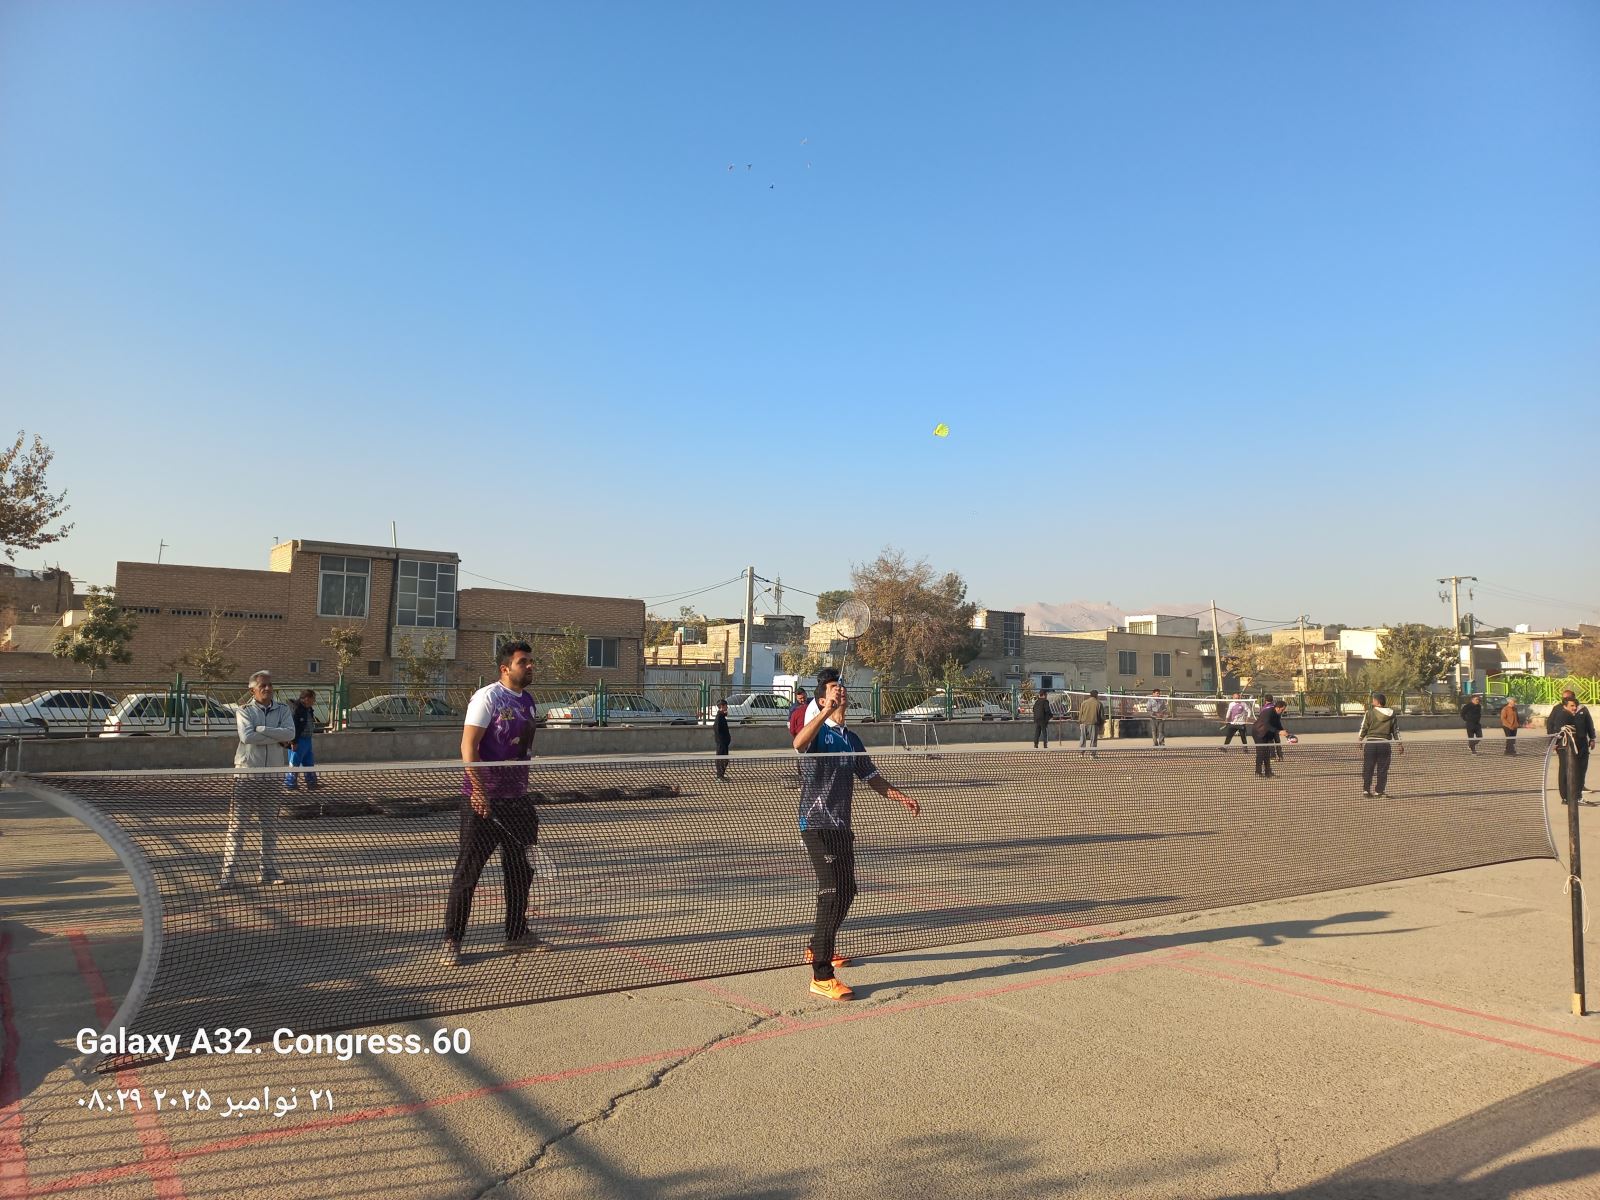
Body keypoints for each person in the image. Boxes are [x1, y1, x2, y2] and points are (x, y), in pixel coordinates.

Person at [792, 673, 919, 1001]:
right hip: (815, 823)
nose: (841, 690)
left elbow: (871, 776)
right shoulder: (818, 731)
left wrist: (900, 797)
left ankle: (817, 946)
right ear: (822, 700)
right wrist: (823, 712)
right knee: (832, 891)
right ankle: (821, 975)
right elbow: (798, 743)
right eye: (833, 688)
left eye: (842, 687)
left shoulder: (852, 739)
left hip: (841, 825)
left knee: (847, 890)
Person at [442, 641, 548, 966]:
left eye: (531, 661)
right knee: (468, 873)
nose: (530, 666)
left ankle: (516, 934)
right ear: (505, 668)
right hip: (483, 801)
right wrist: (479, 791)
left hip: (518, 800)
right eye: (523, 662)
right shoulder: (487, 697)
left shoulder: (528, 701)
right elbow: (468, 746)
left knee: (520, 871)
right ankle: (452, 940)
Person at [222, 670, 297, 888]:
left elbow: (290, 734)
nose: (267, 688)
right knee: (237, 827)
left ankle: (268, 872)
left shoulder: (283, 709)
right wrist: (276, 734)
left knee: (270, 827)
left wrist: (262, 729)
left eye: (270, 685)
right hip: (247, 775)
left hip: (273, 776)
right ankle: (228, 875)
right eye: (262, 685)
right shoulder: (244, 710)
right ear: (252, 690)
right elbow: (247, 736)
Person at [1547, 694, 1596, 804]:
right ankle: (1568, 797)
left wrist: (1592, 737)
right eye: (1571, 705)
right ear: (1564, 705)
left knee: (1580, 771)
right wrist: (1553, 742)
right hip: (1566, 747)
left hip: (1581, 745)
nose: (1574, 707)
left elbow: (1589, 723)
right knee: (1566, 771)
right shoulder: (1561, 714)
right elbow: (1554, 727)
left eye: (1575, 705)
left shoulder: (1582, 710)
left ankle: (1575, 796)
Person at [1357, 692, 1402, 798]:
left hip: (1371, 744)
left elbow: (1364, 727)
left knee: (1368, 767)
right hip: (1384, 745)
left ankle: (1366, 790)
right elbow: (1395, 730)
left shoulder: (1369, 713)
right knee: (1382, 769)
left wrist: (1360, 740)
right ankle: (1379, 791)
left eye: (1373, 700)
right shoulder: (1392, 713)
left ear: (1377, 702)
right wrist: (1399, 744)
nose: (1372, 701)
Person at [284, 689, 321, 789]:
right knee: (294, 762)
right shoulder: (296, 709)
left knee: (309, 761)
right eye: (313, 699)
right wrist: (294, 741)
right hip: (298, 740)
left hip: (307, 739)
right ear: (306, 699)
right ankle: (290, 783)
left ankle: (311, 782)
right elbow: (293, 726)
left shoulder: (308, 709)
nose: (314, 701)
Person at [1251, 699, 1294, 778]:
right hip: (1258, 733)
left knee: (1267, 753)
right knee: (1261, 752)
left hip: (1267, 733)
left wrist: (1286, 734)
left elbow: (1278, 724)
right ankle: (1258, 772)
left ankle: (1268, 772)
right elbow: (1266, 725)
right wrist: (1278, 732)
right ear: (1277, 708)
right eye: (1282, 709)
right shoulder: (1268, 712)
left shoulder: (1278, 714)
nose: (1283, 711)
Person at [1077, 690, 1104, 757]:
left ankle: (1081, 753)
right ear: (1096, 695)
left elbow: (1080, 713)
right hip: (1093, 724)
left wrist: (1080, 722)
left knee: (1082, 738)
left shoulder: (1084, 703)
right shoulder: (1099, 703)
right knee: (1093, 739)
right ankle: (1092, 754)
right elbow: (1101, 716)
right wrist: (1101, 725)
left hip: (1083, 723)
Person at [713, 698, 731, 779]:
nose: (727, 707)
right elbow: (716, 729)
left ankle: (721, 775)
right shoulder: (719, 717)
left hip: (724, 743)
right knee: (721, 760)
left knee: (725, 760)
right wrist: (721, 741)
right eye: (726, 706)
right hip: (721, 743)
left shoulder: (722, 716)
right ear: (721, 706)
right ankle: (719, 776)